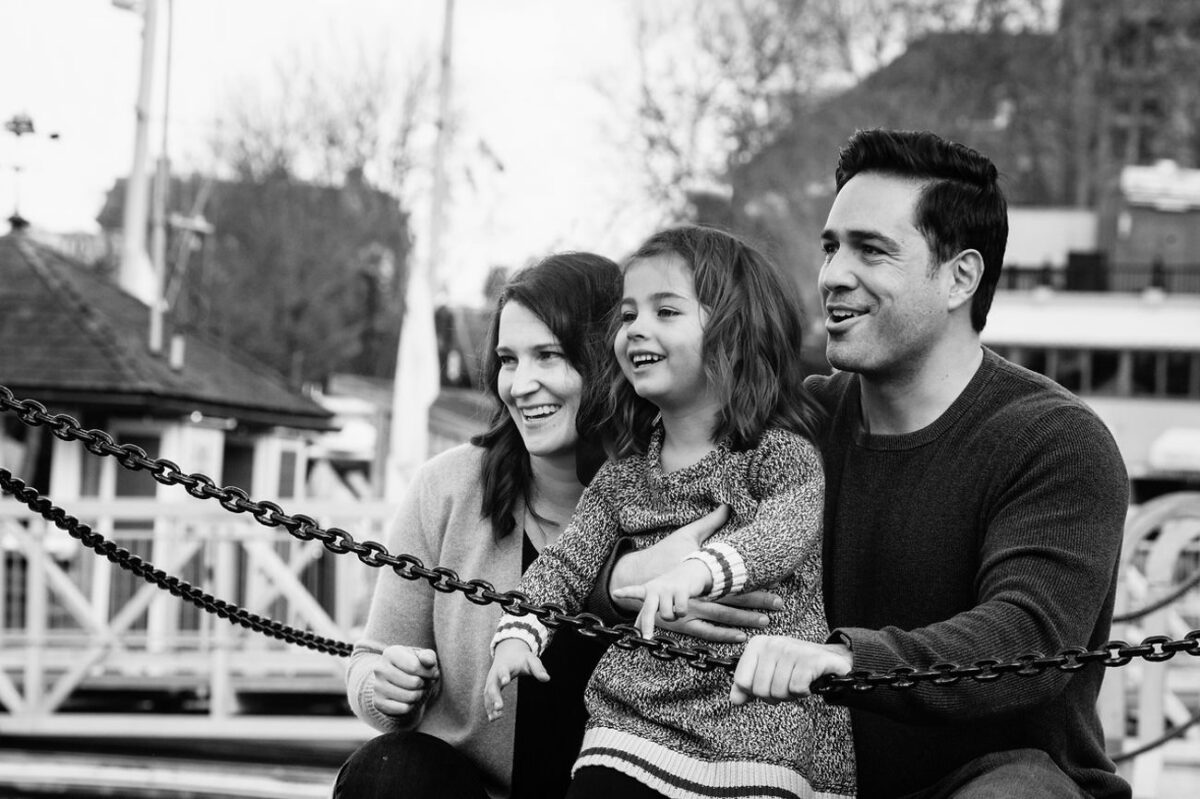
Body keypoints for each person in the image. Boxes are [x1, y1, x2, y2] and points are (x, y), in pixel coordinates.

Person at [713, 129, 1128, 797]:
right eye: (831, 247)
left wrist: (843, 657)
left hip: (1000, 779)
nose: (833, 275)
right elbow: (647, 506)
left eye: (872, 250)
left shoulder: (1055, 440)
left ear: (960, 276)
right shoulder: (798, 423)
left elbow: (1027, 634)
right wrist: (626, 577)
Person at [336, 252, 775, 799]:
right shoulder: (447, 488)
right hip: (478, 789)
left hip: (639, 785)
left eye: (548, 356)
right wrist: (385, 687)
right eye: (508, 360)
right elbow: (370, 660)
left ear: (609, 358)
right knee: (391, 771)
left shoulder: (689, 487)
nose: (520, 385)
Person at [484, 226, 856, 799]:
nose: (637, 329)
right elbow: (564, 565)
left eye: (666, 311)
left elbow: (790, 528)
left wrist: (700, 570)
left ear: (733, 337)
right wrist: (518, 635)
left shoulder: (777, 457)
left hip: (757, 721)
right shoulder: (623, 477)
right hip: (635, 722)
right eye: (628, 314)